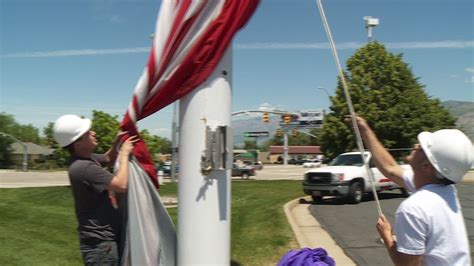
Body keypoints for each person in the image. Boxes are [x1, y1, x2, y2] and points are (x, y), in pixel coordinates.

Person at [350, 115, 472, 266]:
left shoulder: (414, 209)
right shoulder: (445, 190)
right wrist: (365, 130)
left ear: (426, 166)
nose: (416, 144)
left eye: (422, 147)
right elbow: (390, 169)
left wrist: (387, 235)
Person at [53, 114, 137, 265]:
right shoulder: (84, 167)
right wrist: (124, 153)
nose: (94, 133)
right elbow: (121, 185)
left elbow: (108, 158)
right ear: (78, 144)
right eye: (88, 132)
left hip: (101, 243)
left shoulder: (85, 159)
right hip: (101, 246)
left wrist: (116, 142)